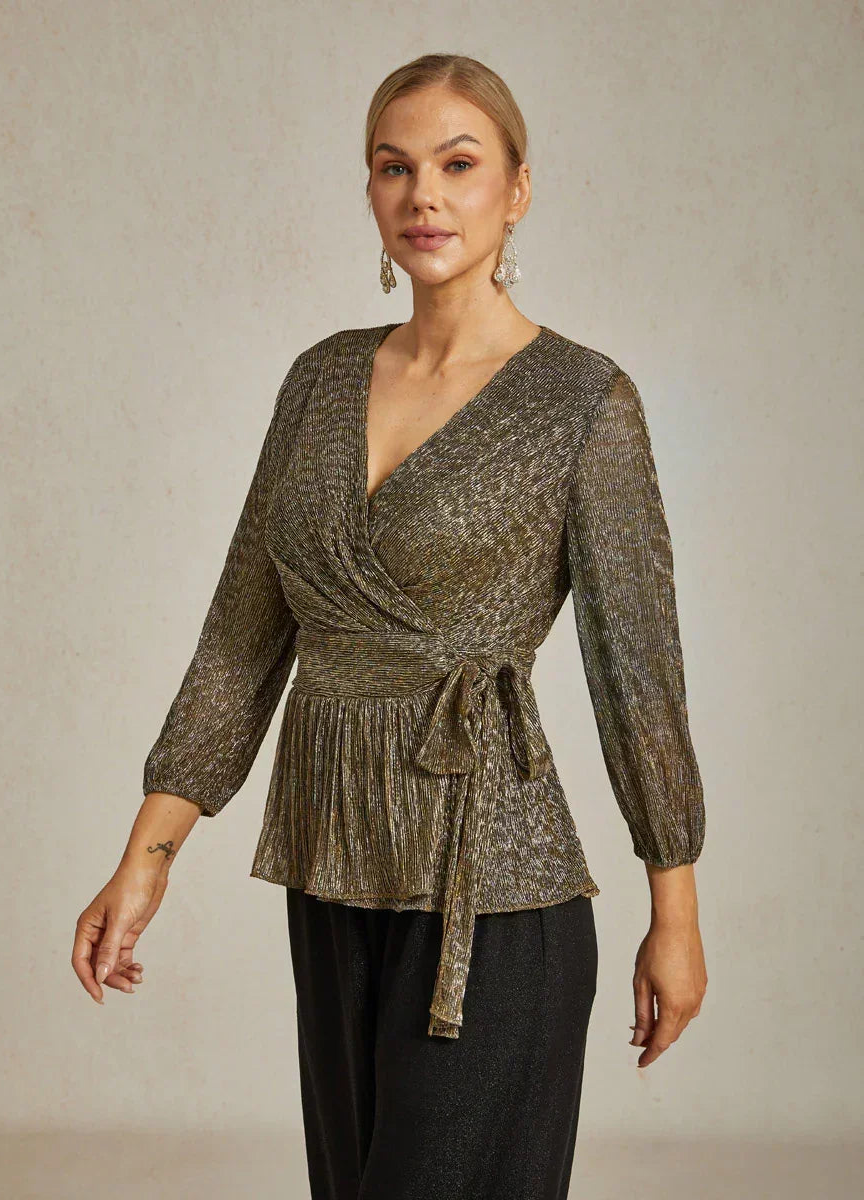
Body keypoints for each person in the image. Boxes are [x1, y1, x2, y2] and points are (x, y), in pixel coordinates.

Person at [72, 52, 707, 1200]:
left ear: (517, 189)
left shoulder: (582, 401)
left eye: (459, 165)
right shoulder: (318, 383)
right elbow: (240, 641)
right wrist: (146, 859)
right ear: (368, 189)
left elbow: (639, 677)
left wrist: (676, 911)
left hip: (495, 892)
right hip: (333, 875)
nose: (425, 195)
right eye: (394, 166)